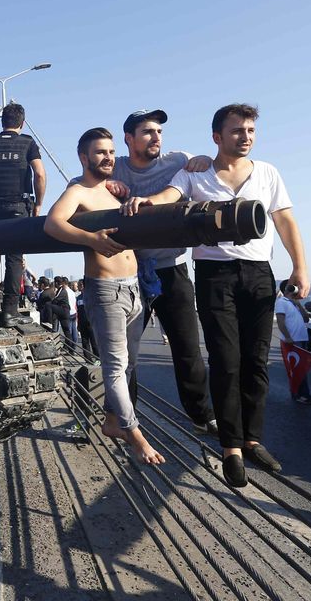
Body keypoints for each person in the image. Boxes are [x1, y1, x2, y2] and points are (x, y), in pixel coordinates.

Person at [124, 103, 308, 487]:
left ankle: (252, 438)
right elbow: (170, 194)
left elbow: (285, 220)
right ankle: (231, 448)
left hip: (259, 273)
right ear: (217, 137)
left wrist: (300, 268)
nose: (245, 137)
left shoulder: (268, 173)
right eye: (237, 130)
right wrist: (147, 203)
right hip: (214, 273)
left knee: (256, 362)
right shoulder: (197, 173)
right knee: (225, 360)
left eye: (251, 131)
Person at [45, 127, 164, 464]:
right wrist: (91, 240)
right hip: (106, 289)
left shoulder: (114, 193)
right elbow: (52, 224)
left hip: (132, 287)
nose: (108, 158)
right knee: (114, 367)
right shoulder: (78, 190)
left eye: (111, 152)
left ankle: (113, 422)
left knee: (129, 366)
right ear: (84, 158)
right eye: (100, 152)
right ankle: (135, 434)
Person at [108, 109, 217, 435]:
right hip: (129, 273)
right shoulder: (114, 167)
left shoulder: (178, 161)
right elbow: (79, 187)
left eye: (158, 131)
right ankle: (126, 420)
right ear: (128, 139)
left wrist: (203, 158)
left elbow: (210, 169)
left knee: (187, 349)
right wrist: (105, 185)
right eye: (147, 132)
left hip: (173, 269)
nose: (156, 137)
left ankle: (202, 415)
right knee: (125, 355)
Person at [0, 103, 47, 323]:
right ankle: (10, 310)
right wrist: (38, 204)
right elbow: (40, 175)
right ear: (22, 123)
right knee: (14, 256)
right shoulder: (27, 143)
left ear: (2, 122)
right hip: (18, 207)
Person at [275, 281, 311, 405]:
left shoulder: (293, 303)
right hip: (292, 340)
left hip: (301, 338)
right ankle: (301, 394)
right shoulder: (282, 302)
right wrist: (287, 337)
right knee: (298, 369)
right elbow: (280, 321)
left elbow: (306, 318)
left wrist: (299, 305)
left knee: (301, 368)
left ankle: (300, 393)